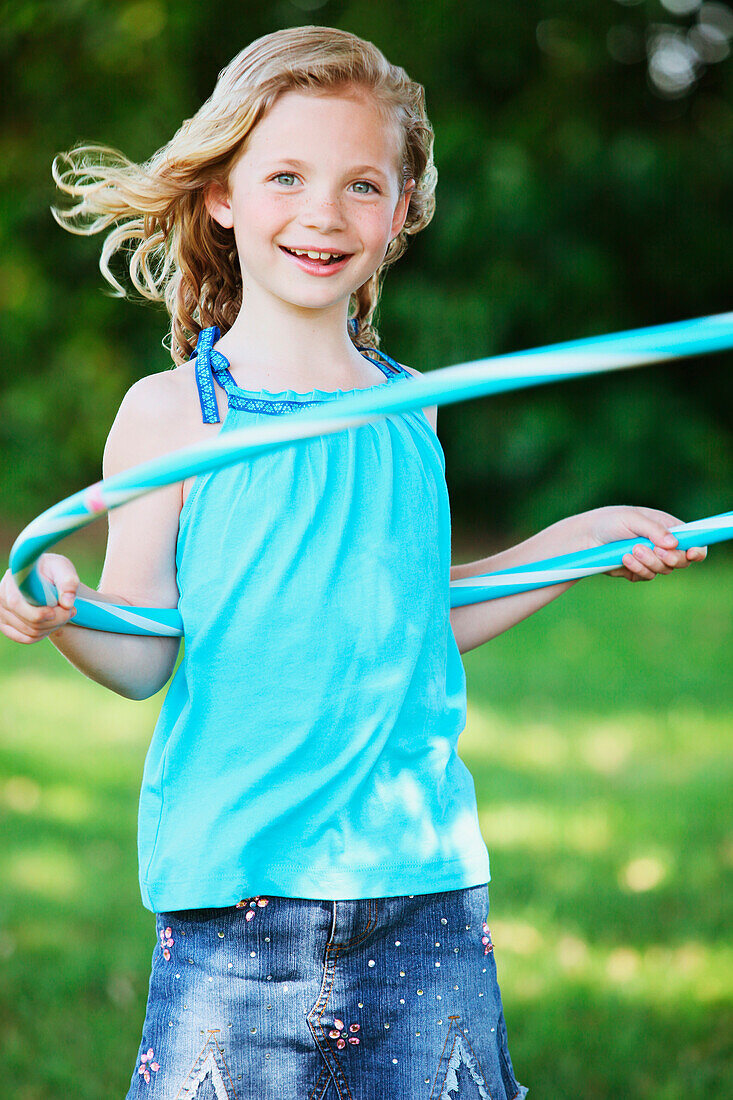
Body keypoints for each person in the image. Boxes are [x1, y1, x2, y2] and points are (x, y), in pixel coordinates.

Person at [0, 25, 706, 1100]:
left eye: (361, 184)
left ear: (400, 212)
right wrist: (67, 604)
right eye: (285, 175)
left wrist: (582, 538)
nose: (324, 212)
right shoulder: (173, 415)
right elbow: (145, 645)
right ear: (223, 194)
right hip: (237, 896)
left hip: (419, 885)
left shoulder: (410, 412)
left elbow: (415, 624)